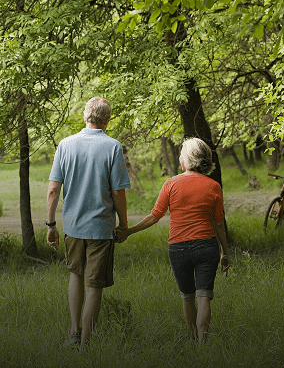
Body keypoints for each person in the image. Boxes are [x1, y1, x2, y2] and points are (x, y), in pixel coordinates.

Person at [116, 137, 231, 343]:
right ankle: (203, 340)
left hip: (178, 249)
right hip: (207, 246)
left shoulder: (171, 184)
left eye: (180, 154)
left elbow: (154, 216)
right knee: (204, 296)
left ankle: (191, 337)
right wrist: (225, 252)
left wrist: (128, 231)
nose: (179, 158)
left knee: (188, 296)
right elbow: (219, 223)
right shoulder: (213, 186)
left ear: (187, 159)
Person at [46, 97, 130, 348]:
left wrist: (51, 225)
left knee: (76, 275)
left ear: (85, 117)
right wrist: (123, 224)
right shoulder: (113, 146)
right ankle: (86, 341)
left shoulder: (65, 144)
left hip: (72, 226)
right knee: (94, 285)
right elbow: (118, 193)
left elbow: (53, 189)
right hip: (101, 229)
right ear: (107, 121)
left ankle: (73, 332)